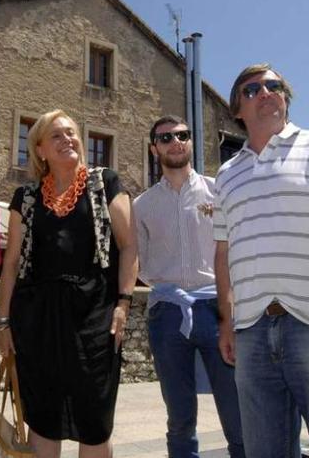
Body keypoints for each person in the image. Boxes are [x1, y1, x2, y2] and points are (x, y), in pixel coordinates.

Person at [213, 64, 309, 458]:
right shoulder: (226, 176)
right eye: (252, 89)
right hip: (250, 332)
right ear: (237, 109)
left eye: (275, 85)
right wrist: (228, 322)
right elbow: (223, 252)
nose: (266, 92)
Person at [0, 109, 138, 458]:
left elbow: (129, 244)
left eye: (72, 133)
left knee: (95, 420)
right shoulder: (26, 197)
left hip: (95, 316)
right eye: (56, 135)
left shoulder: (105, 183)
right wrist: (3, 322)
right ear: (40, 149)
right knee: (44, 417)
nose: (68, 139)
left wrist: (123, 303)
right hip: (37, 320)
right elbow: (11, 264)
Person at [133, 115, 244, 458]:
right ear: (155, 149)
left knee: (236, 411)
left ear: (191, 142)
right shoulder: (143, 205)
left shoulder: (218, 192)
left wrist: (231, 309)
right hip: (168, 312)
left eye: (182, 135)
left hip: (216, 307)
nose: (175, 142)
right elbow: (138, 259)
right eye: (165, 138)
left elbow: (235, 251)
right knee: (179, 417)